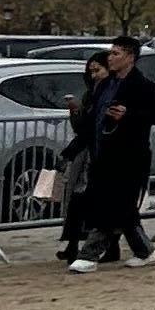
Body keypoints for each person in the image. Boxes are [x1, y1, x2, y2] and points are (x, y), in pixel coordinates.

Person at [72, 38, 155, 269]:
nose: (110, 58)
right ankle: (145, 250)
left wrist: (128, 114)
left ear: (130, 57)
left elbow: (154, 115)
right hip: (102, 153)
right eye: (110, 53)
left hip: (129, 156)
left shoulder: (144, 86)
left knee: (111, 205)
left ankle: (88, 255)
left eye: (116, 53)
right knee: (122, 208)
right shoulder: (104, 85)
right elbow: (93, 117)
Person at [50, 49, 110, 266]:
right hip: (88, 154)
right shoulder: (91, 94)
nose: (94, 75)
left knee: (102, 206)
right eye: (91, 71)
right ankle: (74, 245)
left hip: (101, 155)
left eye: (98, 70)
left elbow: (88, 130)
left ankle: (86, 247)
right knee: (78, 202)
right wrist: (75, 112)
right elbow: (83, 129)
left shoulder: (109, 94)